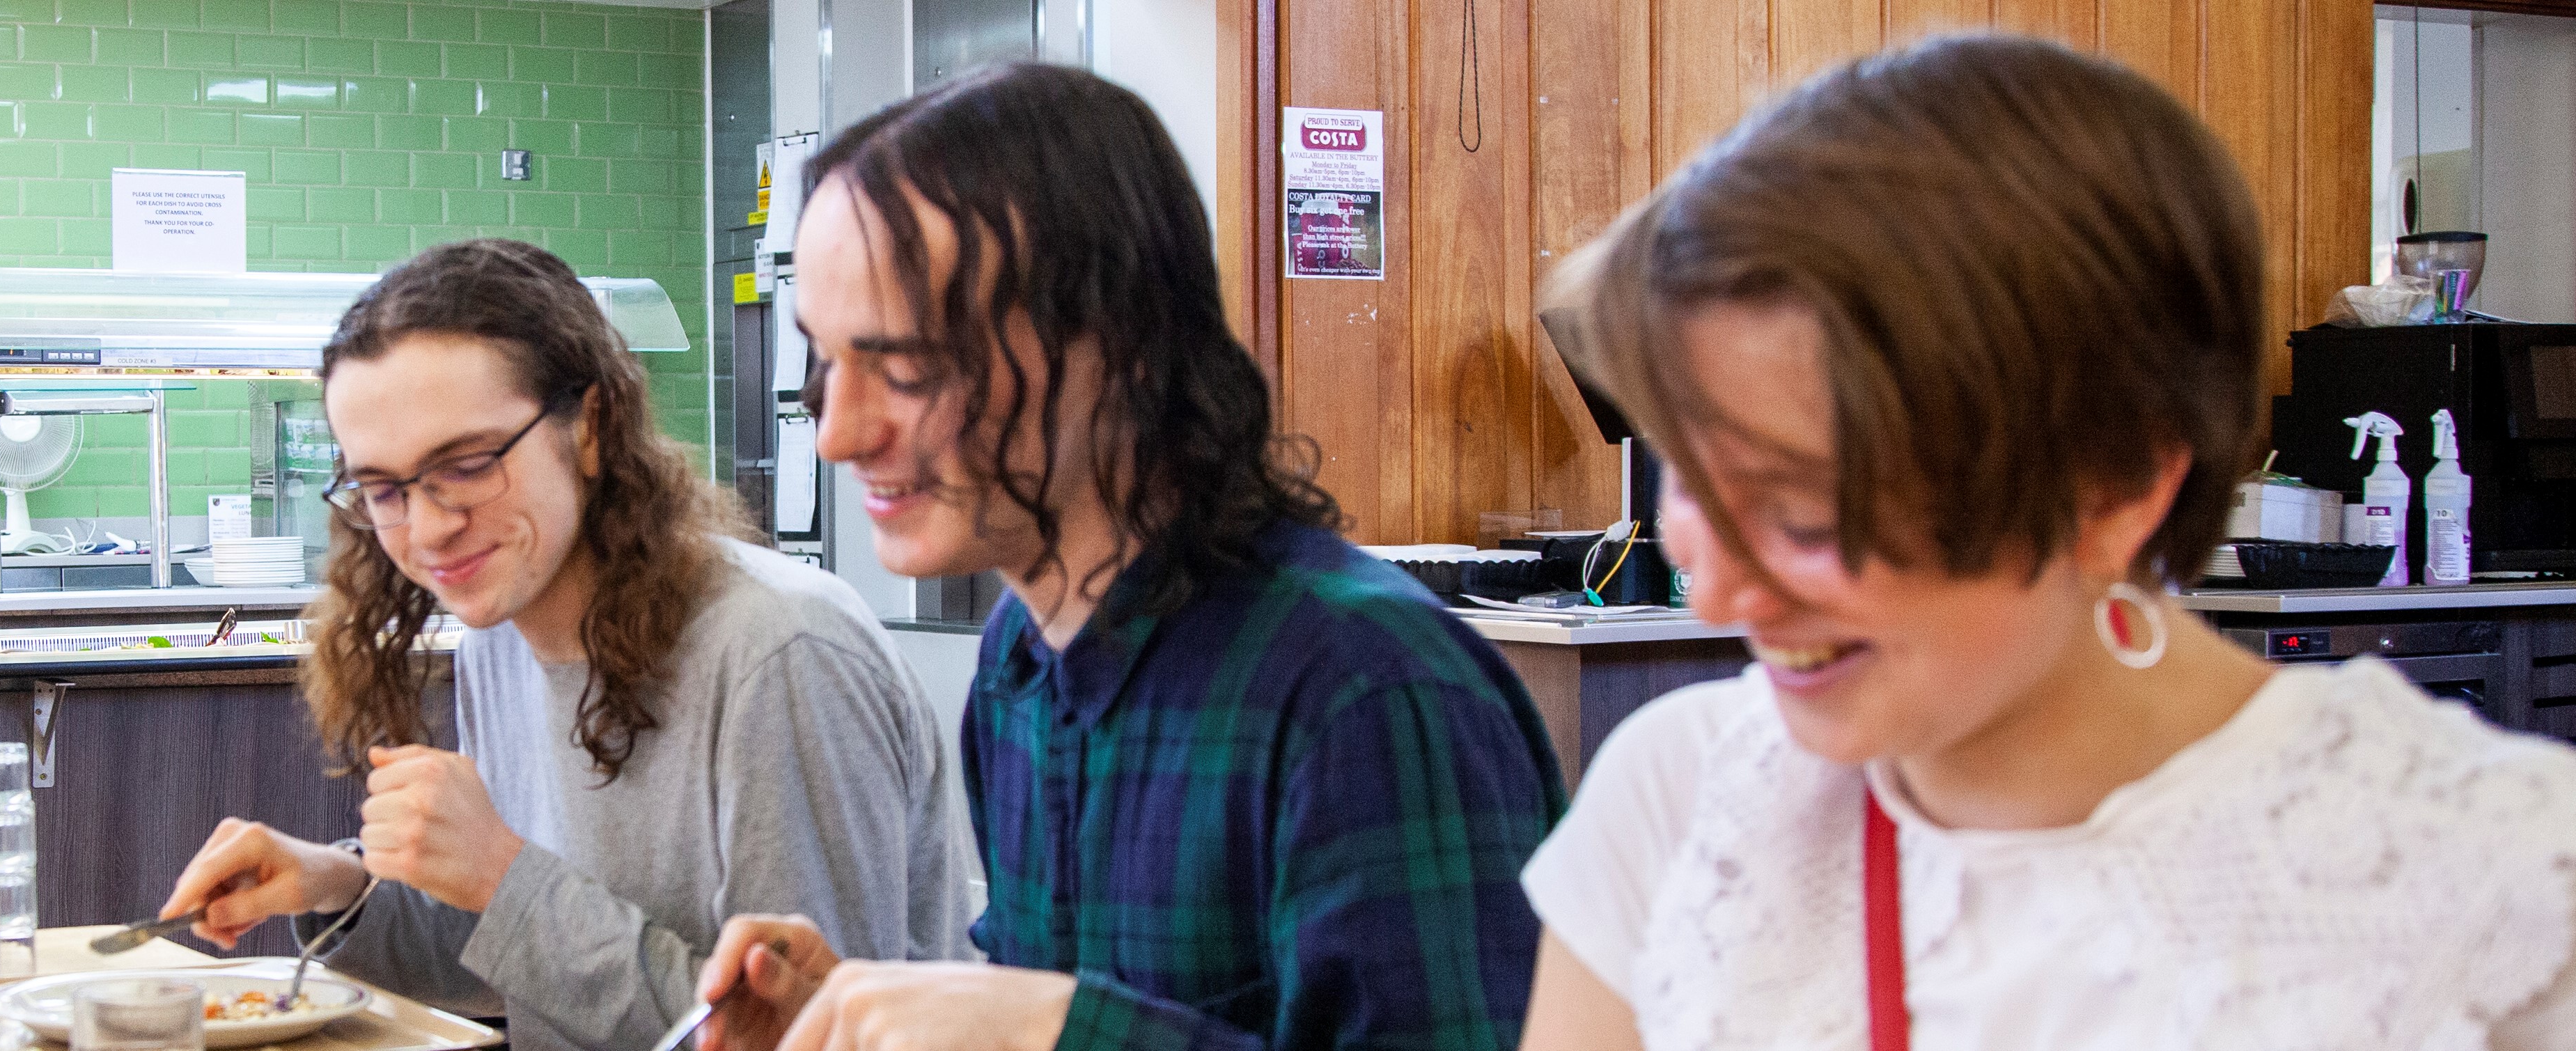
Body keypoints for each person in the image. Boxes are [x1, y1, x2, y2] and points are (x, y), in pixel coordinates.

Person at [1511, 36, 2576, 1050]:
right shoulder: (1682, 797)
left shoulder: (2502, 889)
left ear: (2114, 487)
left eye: (1798, 513)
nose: (1719, 599)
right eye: (1690, 483)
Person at [692, 64, 1566, 1051]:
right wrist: (872, 1013)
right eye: (824, 360)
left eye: (907, 368)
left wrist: (1053, 1029)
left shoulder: (1366, 692)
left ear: (1123, 345)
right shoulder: (1017, 660)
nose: (837, 433)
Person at [151, 238, 977, 1051]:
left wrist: (500, 876)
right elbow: (516, 958)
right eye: (383, 488)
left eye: (468, 464)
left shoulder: (778, 651)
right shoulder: (498, 642)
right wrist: (341, 886)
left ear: (590, 425)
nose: (429, 527)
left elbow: (800, 1034)